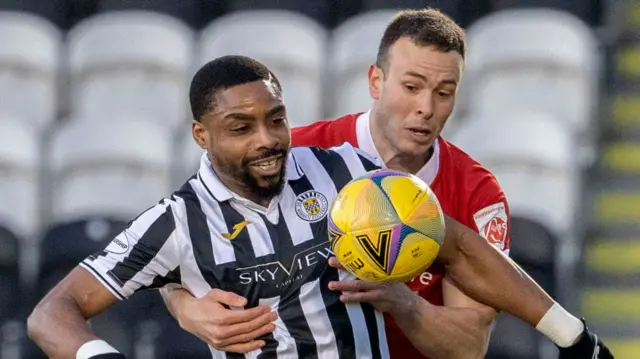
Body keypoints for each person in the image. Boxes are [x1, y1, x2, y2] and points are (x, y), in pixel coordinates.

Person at [27, 55, 612, 359]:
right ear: (202, 136)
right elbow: (52, 314)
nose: (266, 139)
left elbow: (455, 244)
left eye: (275, 119)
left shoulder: (344, 173)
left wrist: (570, 334)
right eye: (241, 127)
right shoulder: (174, 223)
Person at [161, 8, 507, 359]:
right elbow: (180, 239)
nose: (426, 107)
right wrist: (183, 305)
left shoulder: (476, 194)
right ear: (375, 81)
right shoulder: (294, 154)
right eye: (411, 87)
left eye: (444, 93)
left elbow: (470, 347)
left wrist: (403, 302)